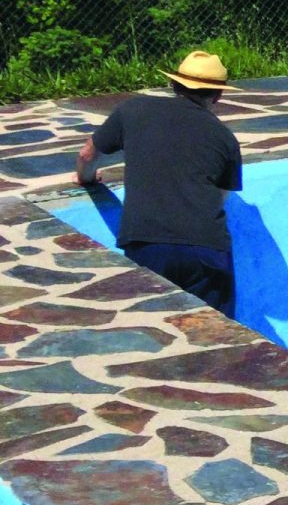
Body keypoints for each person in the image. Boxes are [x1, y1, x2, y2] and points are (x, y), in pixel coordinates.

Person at [74, 50, 243, 317]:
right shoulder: (225, 138)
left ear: (173, 84)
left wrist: (86, 179)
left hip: (146, 242)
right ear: (218, 95)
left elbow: (87, 154)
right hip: (205, 248)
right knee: (216, 336)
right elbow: (220, 197)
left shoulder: (134, 109)